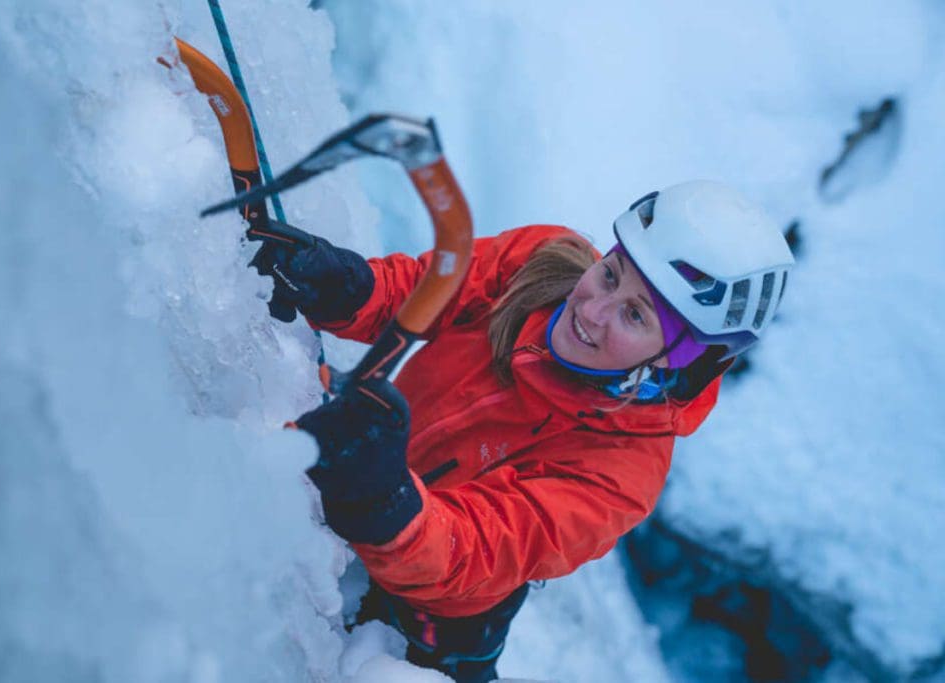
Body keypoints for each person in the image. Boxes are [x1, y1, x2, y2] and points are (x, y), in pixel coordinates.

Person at [252, 180, 795, 682]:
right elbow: (426, 290)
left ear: (681, 363)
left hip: (434, 617)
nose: (592, 310)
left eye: (635, 316)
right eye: (610, 273)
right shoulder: (541, 263)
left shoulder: (621, 472)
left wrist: (382, 501)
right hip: (370, 479)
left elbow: (477, 549)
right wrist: (349, 287)